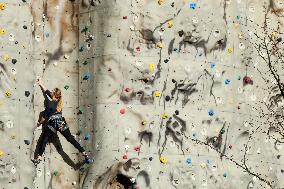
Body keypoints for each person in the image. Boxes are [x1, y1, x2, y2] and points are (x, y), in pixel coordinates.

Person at [33, 77, 89, 164]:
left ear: (54, 95)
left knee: (44, 139)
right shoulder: (59, 102)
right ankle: (84, 152)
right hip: (61, 122)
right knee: (70, 139)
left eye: (52, 92)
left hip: (52, 124)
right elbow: (48, 93)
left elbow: (44, 118)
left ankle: (39, 157)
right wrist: (41, 84)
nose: (51, 92)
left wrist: (38, 123)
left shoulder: (49, 104)